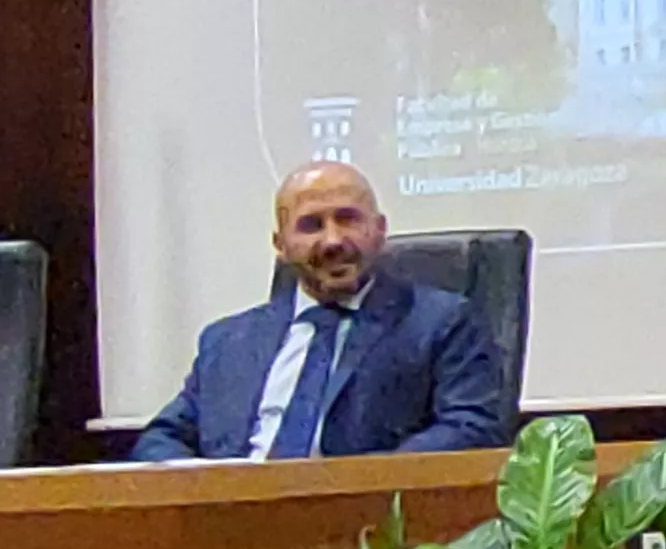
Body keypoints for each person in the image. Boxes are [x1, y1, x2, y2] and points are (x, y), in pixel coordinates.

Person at [130, 161, 509, 461]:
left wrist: (354, 485)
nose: (333, 240)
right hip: (231, 530)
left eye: (348, 219)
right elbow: (161, 439)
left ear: (379, 230)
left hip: (369, 535)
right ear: (281, 244)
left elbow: (472, 427)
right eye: (311, 225)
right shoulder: (227, 342)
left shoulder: (439, 322)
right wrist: (204, 484)